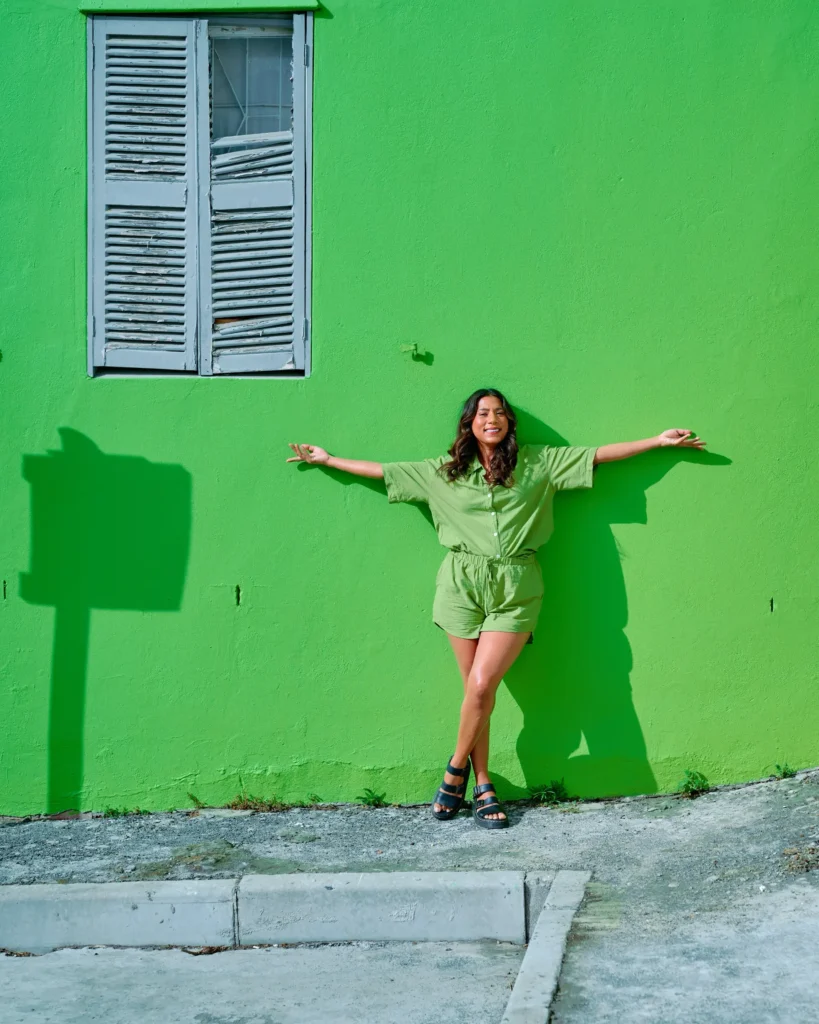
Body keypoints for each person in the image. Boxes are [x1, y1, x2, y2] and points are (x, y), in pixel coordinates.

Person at [287, 388, 705, 829]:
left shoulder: (538, 463)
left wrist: (657, 442)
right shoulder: (442, 473)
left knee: (483, 685)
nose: (493, 419)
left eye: (500, 413)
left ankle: (454, 771)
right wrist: (328, 460)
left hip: (517, 586)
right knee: (475, 693)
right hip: (460, 587)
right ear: (469, 422)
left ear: (509, 423)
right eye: (483, 413)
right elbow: (383, 472)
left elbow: (597, 455)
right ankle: (483, 784)